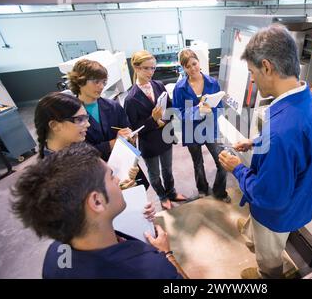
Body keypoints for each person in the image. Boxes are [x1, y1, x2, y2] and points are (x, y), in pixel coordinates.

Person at [218, 24, 312, 279]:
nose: (252, 80)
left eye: (252, 72)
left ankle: (269, 274)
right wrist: (256, 142)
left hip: (276, 213)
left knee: (269, 257)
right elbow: (296, 143)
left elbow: (269, 197)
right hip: (299, 197)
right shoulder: (310, 100)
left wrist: (237, 168)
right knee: (260, 235)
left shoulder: (281, 132)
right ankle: (253, 235)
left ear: (267, 67)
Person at [11, 142, 188, 279]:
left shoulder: (54, 255)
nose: (118, 180)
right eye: (111, 177)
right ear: (96, 201)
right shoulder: (151, 268)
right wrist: (167, 254)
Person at [67, 59, 149, 189]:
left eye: (104, 82)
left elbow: (127, 130)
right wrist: (112, 143)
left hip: (123, 167)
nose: (101, 86)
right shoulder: (69, 113)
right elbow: (76, 152)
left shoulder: (113, 106)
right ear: (79, 81)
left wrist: (131, 138)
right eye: (96, 82)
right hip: (94, 173)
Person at [34, 92, 136, 189]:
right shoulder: (51, 177)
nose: (88, 124)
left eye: (86, 118)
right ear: (54, 125)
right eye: (79, 119)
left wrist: (118, 187)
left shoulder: (80, 152)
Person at [125, 50, 187, 210]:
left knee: (168, 169)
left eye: (153, 68)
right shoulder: (131, 99)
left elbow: (171, 107)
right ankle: (162, 196)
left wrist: (162, 120)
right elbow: (134, 129)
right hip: (149, 143)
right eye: (146, 68)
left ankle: (171, 192)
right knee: (154, 174)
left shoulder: (158, 85)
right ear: (136, 68)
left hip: (165, 136)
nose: (150, 72)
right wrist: (153, 120)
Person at [172, 49, 231, 203]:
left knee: (222, 161)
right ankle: (203, 189)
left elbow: (220, 108)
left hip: (210, 129)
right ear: (183, 68)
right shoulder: (179, 88)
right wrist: (197, 110)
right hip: (191, 131)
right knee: (198, 163)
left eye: (194, 63)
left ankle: (219, 191)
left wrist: (211, 112)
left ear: (199, 63)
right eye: (187, 66)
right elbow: (178, 112)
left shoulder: (212, 83)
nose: (192, 68)